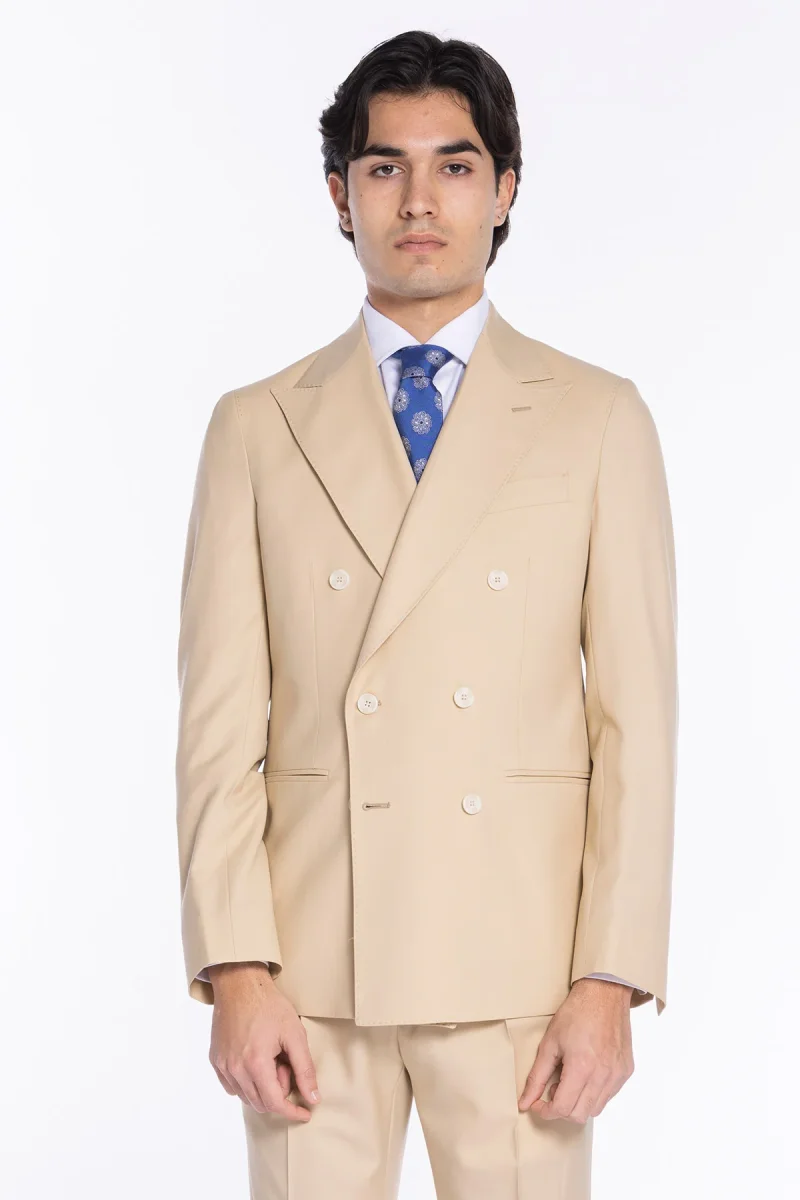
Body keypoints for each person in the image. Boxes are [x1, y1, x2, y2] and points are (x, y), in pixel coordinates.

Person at [175, 29, 678, 1200]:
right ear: (337, 194)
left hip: (523, 980)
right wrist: (235, 968)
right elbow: (216, 731)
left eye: (453, 166)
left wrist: (608, 979)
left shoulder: (596, 418)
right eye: (383, 167)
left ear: (504, 190)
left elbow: (637, 729)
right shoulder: (256, 425)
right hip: (308, 975)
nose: (417, 201)